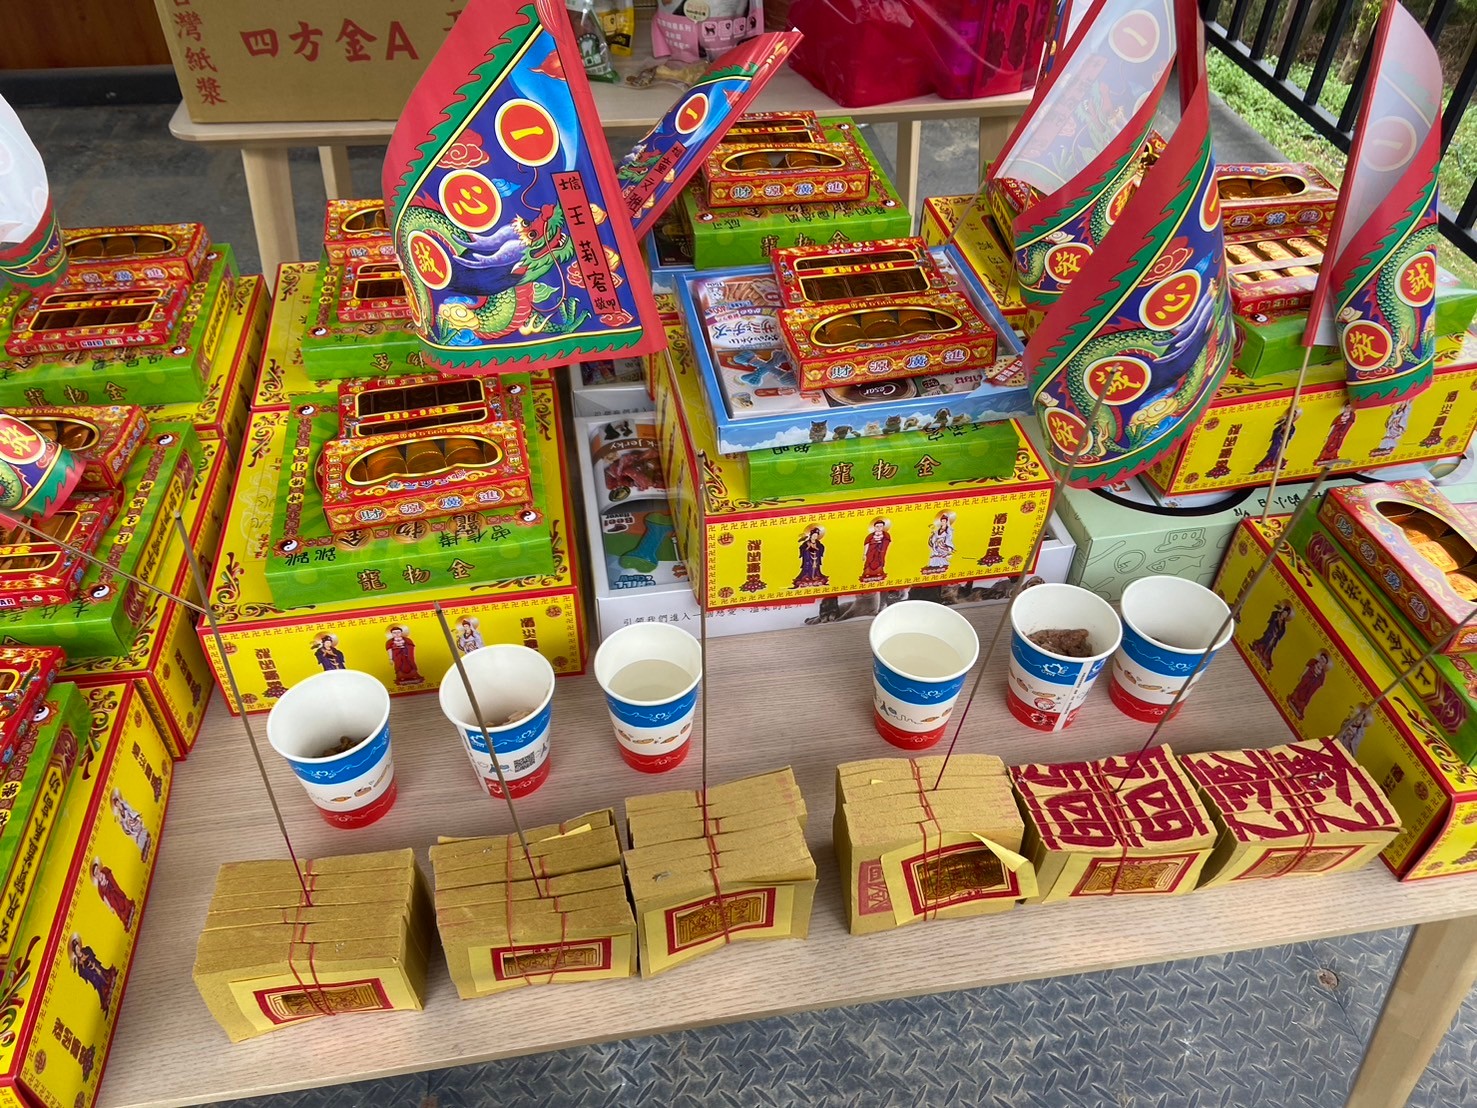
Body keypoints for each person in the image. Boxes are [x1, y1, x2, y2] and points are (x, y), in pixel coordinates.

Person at [91, 858, 136, 930]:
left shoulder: (105, 871)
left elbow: (111, 878)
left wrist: (108, 881)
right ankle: (126, 920)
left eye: (97, 870)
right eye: (96, 873)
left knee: (123, 900)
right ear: (95, 876)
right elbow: (104, 898)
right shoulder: (99, 888)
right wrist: (110, 907)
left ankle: (130, 908)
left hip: (116, 891)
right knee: (118, 908)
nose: (97, 873)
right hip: (112, 899)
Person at [1288, 650, 1330, 718]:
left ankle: (1299, 708)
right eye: (1321, 659)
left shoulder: (1322, 673)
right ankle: (1293, 699)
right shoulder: (1313, 662)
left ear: (1324, 664)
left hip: (1311, 686)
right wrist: (1301, 675)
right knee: (1300, 688)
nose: (1321, 661)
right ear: (1319, 657)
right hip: (1306, 680)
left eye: (1323, 661)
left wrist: (1316, 678)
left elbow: (1320, 683)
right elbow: (1307, 667)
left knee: (1306, 696)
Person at [859, 519, 891, 583]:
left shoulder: (886, 535)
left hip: (880, 553)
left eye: (881, 526)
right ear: (874, 527)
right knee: (869, 561)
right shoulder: (870, 536)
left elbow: (887, 542)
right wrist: (864, 554)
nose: (879, 528)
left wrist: (881, 544)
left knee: (879, 562)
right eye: (877, 526)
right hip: (871, 552)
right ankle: (867, 574)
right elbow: (867, 544)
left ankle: (879, 573)